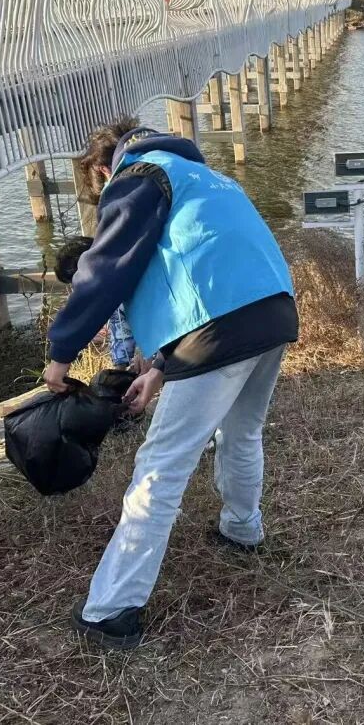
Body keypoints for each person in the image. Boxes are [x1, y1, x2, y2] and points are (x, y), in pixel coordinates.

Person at [42, 117, 298, 649]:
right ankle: (242, 529)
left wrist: (61, 352)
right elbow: (194, 267)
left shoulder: (138, 177)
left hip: (221, 325)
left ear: (104, 169)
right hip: (273, 311)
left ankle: (111, 610)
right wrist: (160, 367)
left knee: (161, 466)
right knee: (242, 432)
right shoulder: (204, 176)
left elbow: (106, 269)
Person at [54, 235, 146, 372]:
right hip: (137, 356)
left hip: (159, 350)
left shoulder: (131, 278)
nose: (78, 289)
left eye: (77, 282)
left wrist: (143, 351)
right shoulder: (108, 290)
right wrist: (119, 366)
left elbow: (150, 315)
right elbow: (119, 327)